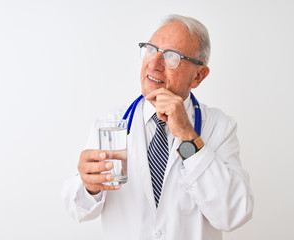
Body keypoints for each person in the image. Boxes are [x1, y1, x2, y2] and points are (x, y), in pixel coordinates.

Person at [62, 14, 253, 240]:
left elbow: (233, 215)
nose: (153, 64)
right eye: (151, 49)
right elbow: (77, 209)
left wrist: (187, 135)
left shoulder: (220, 127)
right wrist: (89, 186)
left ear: (198, 75)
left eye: (172, 57)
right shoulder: (111, 122)